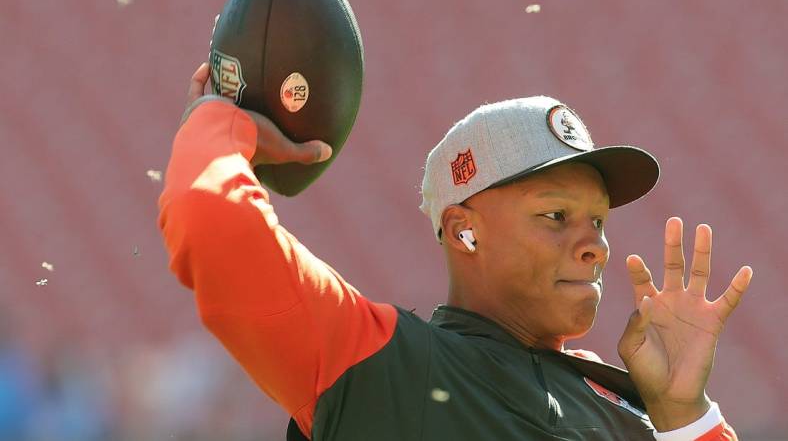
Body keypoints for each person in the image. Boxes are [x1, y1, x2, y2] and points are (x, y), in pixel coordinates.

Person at [158, 63, 753, 440]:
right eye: (556, 216)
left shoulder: (636, 401)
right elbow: (211, 220)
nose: (595, 245)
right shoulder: (388, 369)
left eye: (597, 219)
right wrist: (218, 123)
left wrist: (687, 415)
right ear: (464, 230)